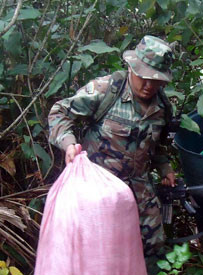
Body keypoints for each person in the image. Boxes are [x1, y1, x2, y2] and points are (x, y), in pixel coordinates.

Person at [48, 35, 176, 259]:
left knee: (153, 247)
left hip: (138, 188)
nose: (148, 85)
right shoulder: (105, 90)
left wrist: (165, 168)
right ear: (131, 68)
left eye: (155, 80)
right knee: (99, 250)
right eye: (143, 77)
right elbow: (60, 113)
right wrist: (68, 144)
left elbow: (157, 145)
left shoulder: (162, 107)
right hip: (98, 188)